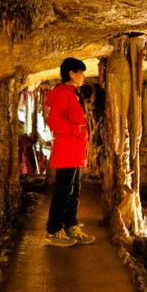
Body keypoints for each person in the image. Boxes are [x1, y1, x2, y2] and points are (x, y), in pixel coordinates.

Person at [44, 57, 95, 247]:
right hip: (67, 151)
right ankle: (53, 230)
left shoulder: (73, 93)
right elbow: (54, 121)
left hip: (75, 151)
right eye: (81, 72)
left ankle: (70, 225)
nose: (84, 76)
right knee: (63, 192)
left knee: (74, 192)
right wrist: (76, 130)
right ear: (71, 73)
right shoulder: (64, 94)